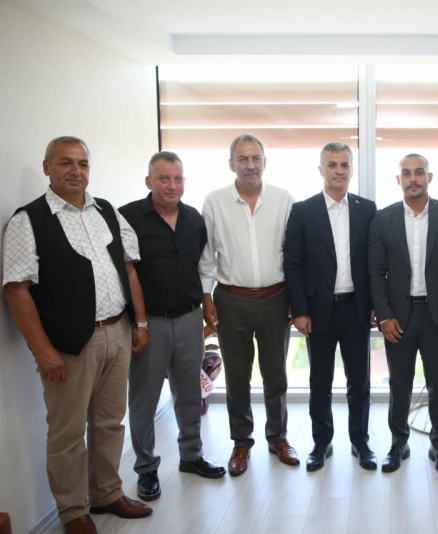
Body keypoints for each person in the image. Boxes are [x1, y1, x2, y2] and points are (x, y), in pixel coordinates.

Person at [2, 136, 152, 534]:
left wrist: (139, 323)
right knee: (67, 433)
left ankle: (107, 493)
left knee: (109, 423)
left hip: (117, 332)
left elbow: (128, 269)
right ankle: (73, 511)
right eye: (65, 162)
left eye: (82, 164)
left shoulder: (106, 211)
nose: (76, 171)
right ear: (47, 167)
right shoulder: (28, 221)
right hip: (69, 344)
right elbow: (16, 290)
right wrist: (43, 351)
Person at [119, 151, 226, 502]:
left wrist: (206, 302)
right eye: (164, 178)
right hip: (150, 322)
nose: (172, 185)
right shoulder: (128, 217)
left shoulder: (194, 219)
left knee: (190, 393)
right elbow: (123, 272)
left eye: (178, 179)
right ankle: (146, 469)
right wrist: (137, 323)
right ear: (148, 181)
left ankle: (191, 456)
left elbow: (203, 266)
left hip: (189, 318)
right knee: (145, 398)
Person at [199, 134, 298, 476]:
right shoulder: (214, 202)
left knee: (276, 375)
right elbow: (206, 256)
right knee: (238, 377)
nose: (250, 165)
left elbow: (294, 254)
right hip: (231, 300)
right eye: (243, 159)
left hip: (276, 298)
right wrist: (206, 296)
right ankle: (241, 443)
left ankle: (278, 437)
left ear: (264, 162)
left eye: (256, 158)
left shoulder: (284, 199)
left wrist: (295, 299)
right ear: (231, 164)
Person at [368, 154, 438, 476]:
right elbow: (375, 271)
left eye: (419, 172)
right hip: (398, 317)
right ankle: (398, 444)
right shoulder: (382, 219)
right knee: (399, 384)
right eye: (406, 173)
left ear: (430, 176)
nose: (413, 178)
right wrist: (384, 316)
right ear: (398, 179)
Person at [284, 143, 377, 471]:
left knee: (359, 383)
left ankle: (360, 442)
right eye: (332, 164)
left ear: (351, 169)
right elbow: (292, 264)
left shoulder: (367, 209)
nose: (339, 170)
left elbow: (375, 262)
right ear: (321, 169)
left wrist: (375, 305)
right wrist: (300, 311)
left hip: (356, 310)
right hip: (318, 312)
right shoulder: (302, 211)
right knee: (320, 383)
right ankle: (321, 443)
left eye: (344, 164)